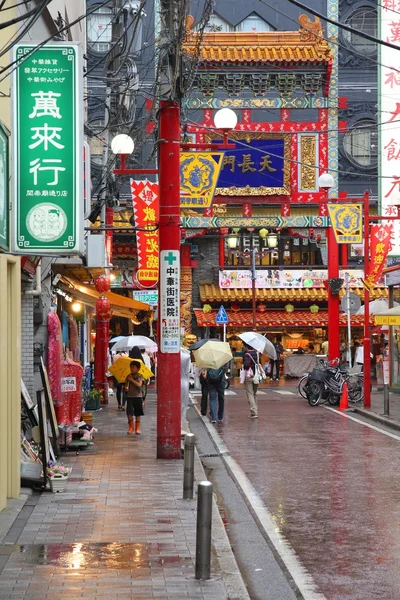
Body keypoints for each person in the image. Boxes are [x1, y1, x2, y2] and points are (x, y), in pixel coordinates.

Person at [124, 360, 144, 435]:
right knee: (129, 412)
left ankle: (137, 428)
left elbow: (139, 385)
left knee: (137, 413)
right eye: (131, 367)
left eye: (133, 367)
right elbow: (126, 385)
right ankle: (131, 427)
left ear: (138, 368)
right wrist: (126, 387)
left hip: (138, 396)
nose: (132, 369)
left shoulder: (140, 376)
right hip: (130, 396)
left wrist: (132, 380)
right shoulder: (128, 376)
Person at [243, 343, 260, 418]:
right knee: (254, 393)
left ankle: (254, 411)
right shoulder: (257, 354)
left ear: (247, 346)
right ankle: (256, 409)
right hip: (256, 375)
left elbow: (246, 365)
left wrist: (244, 366)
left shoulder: (247, 355)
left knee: (250, 394)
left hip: (249, 376)